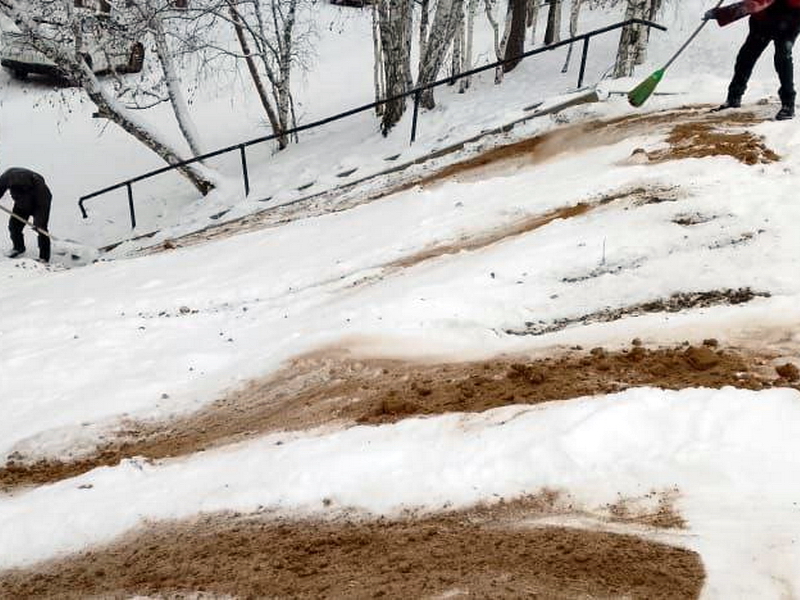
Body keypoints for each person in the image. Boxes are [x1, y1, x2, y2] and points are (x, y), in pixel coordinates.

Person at [705, 0, 800, 120]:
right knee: (746, 57)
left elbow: (757, 2)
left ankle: (788, 105)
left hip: (789, 20)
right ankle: (733, 99)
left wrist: (722, 13)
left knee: (782, 58)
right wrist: (721, 14)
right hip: (763, 21)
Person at [0, 167, 52, 262]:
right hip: (21, 204)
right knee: (14, 226)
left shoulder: (40, 188)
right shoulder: (7, 177)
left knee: (41, 229)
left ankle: (44, 257)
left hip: (38, 204)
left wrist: (38, 223)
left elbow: (43, 206)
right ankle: (18, 248)